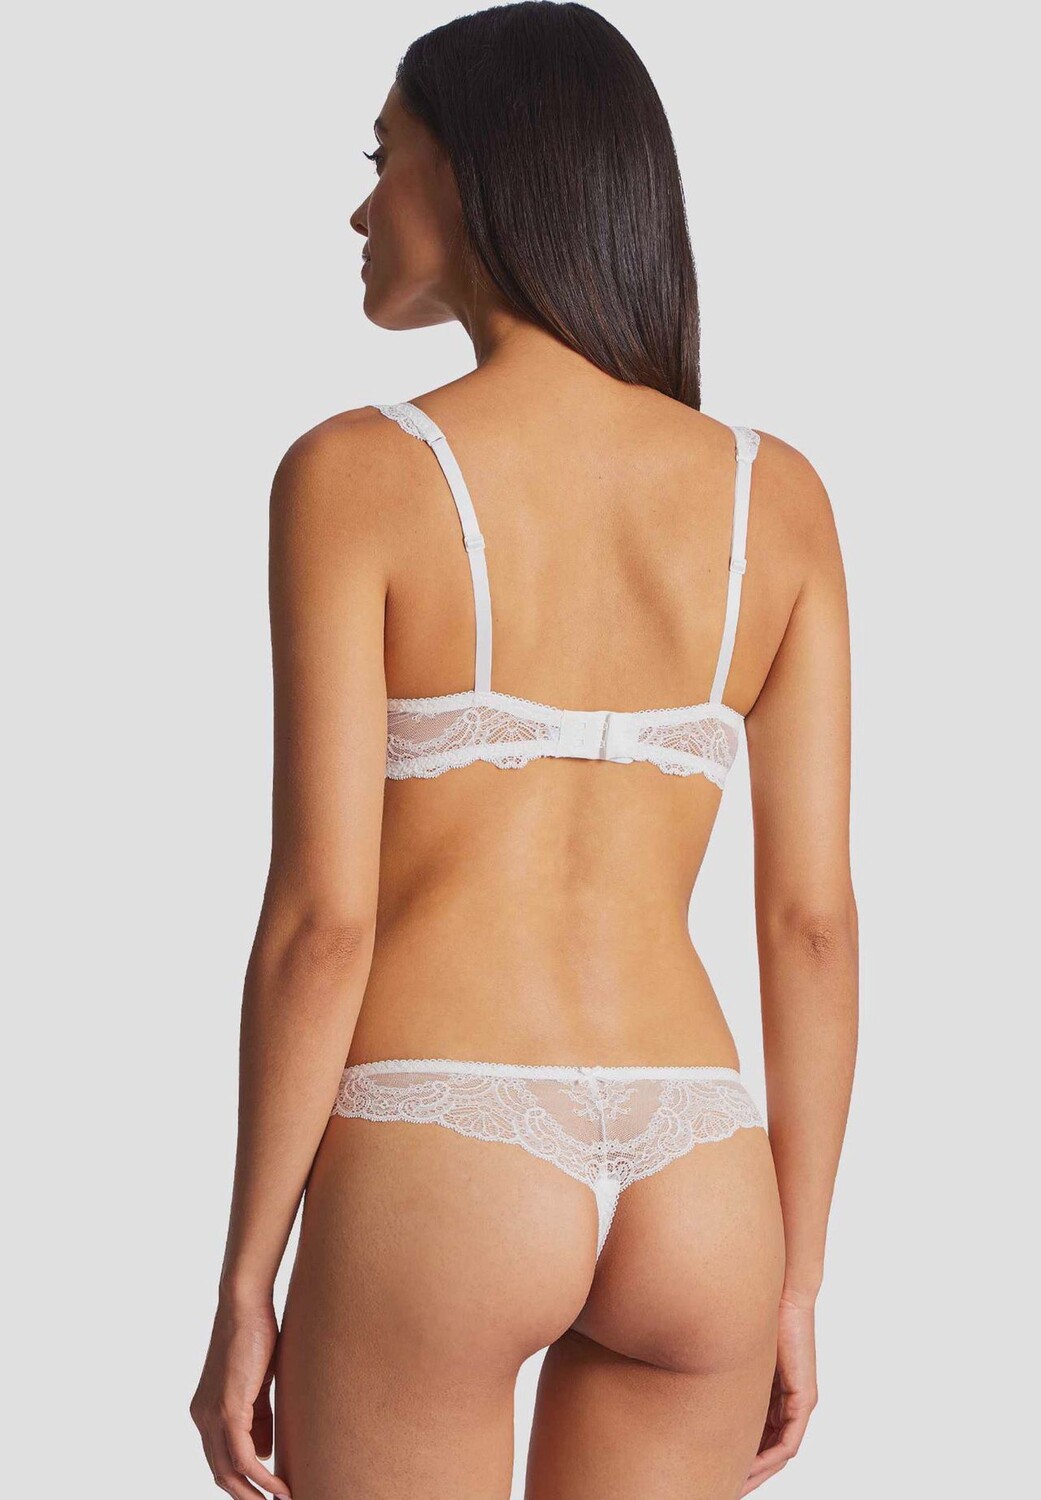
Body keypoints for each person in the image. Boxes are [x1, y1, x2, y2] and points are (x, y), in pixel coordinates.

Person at [190, 5, 858, 1497]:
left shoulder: (355, 474)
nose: (362, 208)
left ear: (482, 168)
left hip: (442, 1147)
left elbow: (323, 924)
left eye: (383, 158)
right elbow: (810, 924)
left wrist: (246, 1279)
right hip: (702, 1174)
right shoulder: (777, 498)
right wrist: (796, 1276)